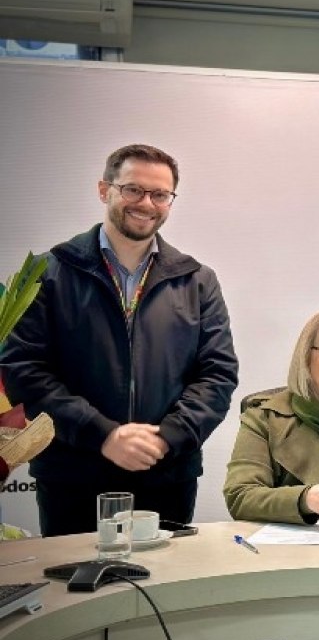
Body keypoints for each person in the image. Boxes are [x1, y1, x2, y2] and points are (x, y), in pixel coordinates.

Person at [0, 144, 239, 536]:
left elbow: (218, 374)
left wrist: (167, 438)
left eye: (160, 194)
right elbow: (23, 371)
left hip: (166, 474)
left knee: (167, 576)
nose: (146, 203)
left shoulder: (197, 280)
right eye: (133, 189)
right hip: (73, 476)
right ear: (104, 190)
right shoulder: (47, 272)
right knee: (75, 577)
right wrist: (104, 435)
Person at [223, 307, 319, 524]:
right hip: (306, 543)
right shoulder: (265, 417)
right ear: (306, 357)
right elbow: (240, 497)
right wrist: (307, 499)